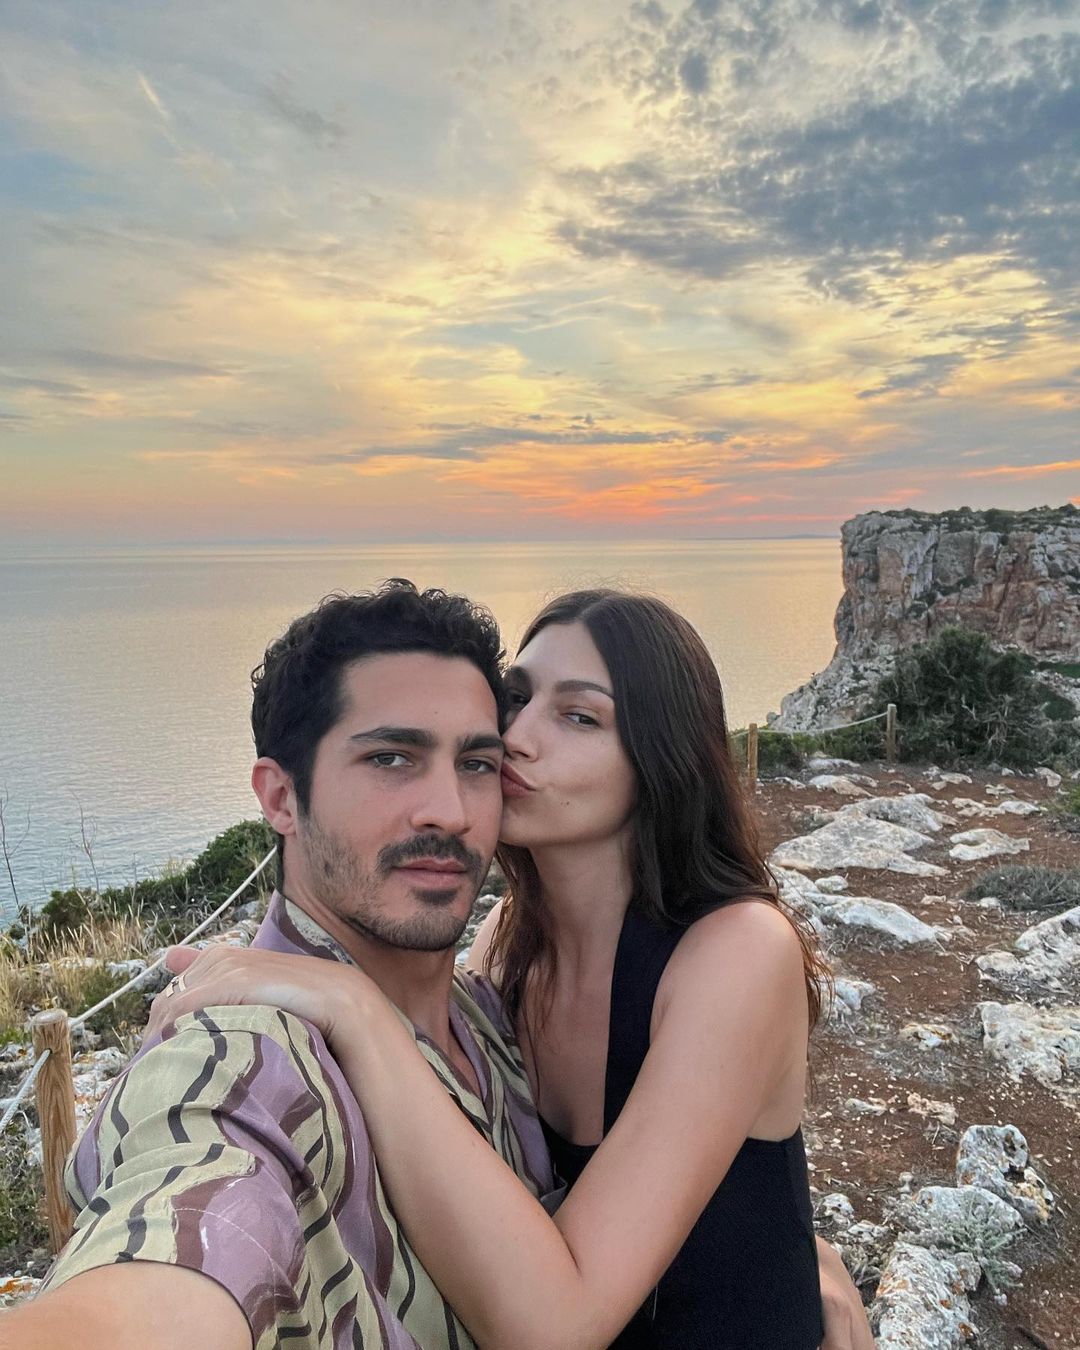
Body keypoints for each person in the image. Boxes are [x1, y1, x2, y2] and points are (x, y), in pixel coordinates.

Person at [143, 589, 874, 1350]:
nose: (515, 738)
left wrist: (352, 1004)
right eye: (517, 699)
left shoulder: (735, 952)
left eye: (579, 717)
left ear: (661, 758)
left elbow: (563, 1323)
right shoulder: (505, 946)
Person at [2, 581, 555, 1350]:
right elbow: (186, 1232)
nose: (450, 811)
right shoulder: (243, 1061)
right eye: (391, 758)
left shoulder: (486, 1011)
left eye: (476, 763)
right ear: (281, 798)